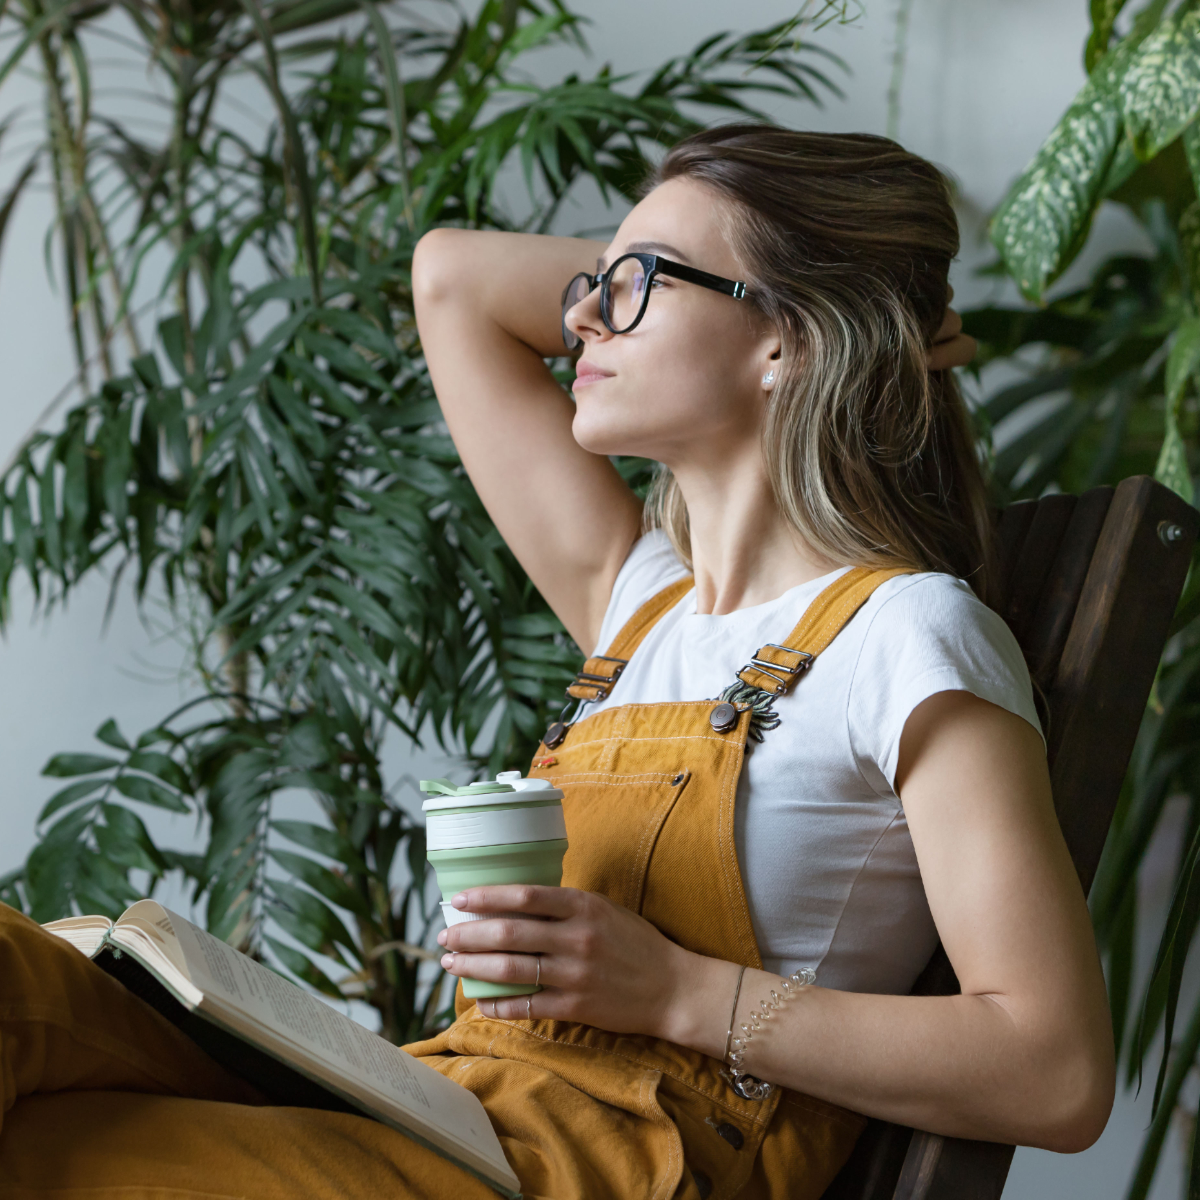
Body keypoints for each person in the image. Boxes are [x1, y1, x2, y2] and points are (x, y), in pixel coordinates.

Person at [0, 126, 1114, 1200]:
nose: (584, 310)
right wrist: (783, 292)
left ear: (788, 341)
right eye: (596, 277)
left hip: (592, 1167)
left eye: (637, 282)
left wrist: (679, 992)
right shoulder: (637, 606)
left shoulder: (907, 634)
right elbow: (452, 276)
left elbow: (1053, 1071)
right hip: (443, 1106)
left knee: (46, 1158)